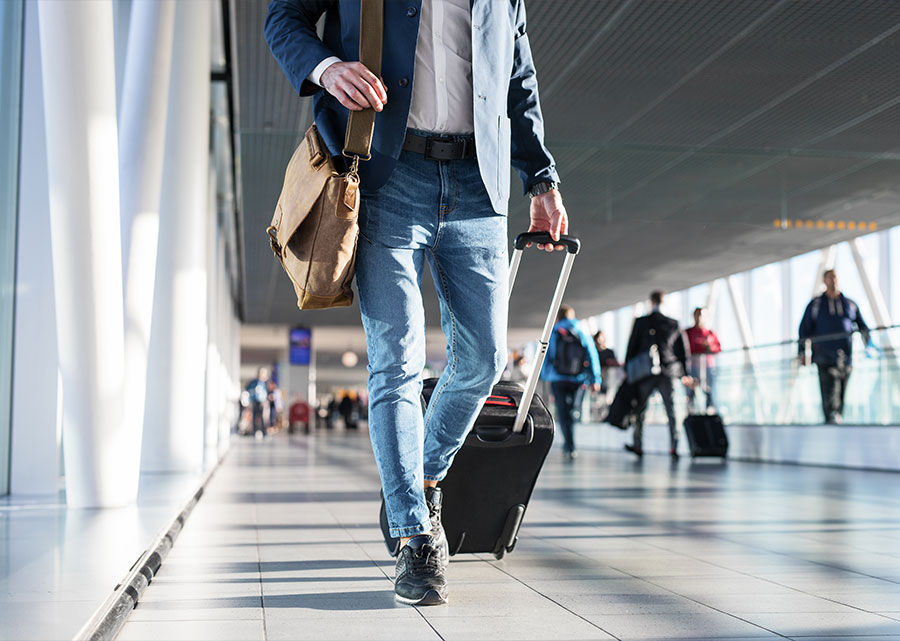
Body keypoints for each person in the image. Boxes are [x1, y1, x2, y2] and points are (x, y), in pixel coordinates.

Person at [266, 0, 568, 606]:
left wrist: (541, 177)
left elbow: (518, 77)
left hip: (479, 187)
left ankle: (425, 475)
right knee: (396, 361)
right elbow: (284, 17)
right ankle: (414, 537)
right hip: (386, 175)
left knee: (482, 360)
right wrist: (326, 67)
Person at [623, 291, 693, 460]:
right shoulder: (673, 323)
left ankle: (638, 445)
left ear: (651, 302)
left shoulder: (642, 322)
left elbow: (632, 347)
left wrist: (627, 369)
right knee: (672, 410)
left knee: (641, 410)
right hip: (668, 372)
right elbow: (682, 352)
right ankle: (674, 446)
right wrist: (685, 374)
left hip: (645, 373)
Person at [799, 269, 870, 424]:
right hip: (824, 357)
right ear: (824, 281)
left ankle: (837, 420)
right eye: (829, 278)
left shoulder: (849, 304)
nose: (833, 280)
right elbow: (804, 330)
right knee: (829, 394)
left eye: (835, 277)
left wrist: (868, 345)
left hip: (846, 358)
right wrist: (802, 353)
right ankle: (830, 421)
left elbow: (862, 326)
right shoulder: (816, 305)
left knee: (842, 393)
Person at [540, 305, 601, 461]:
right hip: (578, 379)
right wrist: (595, 379)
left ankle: (569, 445)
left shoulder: (553, 332)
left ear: (558, 317)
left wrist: (546, 376)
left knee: (562, 412)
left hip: (558, 379)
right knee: (573, 410)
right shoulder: (581, 331)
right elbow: (592, 355)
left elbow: (546, 355)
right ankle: (571, 442)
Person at [685, 307, 721, 413]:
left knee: (709, 390)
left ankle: (709, 411)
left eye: (702, 314)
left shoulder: (710, 333)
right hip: (692, 367)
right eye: (698, 314)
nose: (700, 317)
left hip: (708, 367)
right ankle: (692, 412)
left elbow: (718, 348)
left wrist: (709, 348)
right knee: (691, 391)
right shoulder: (688, 333)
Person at [245, 368, 270, 439]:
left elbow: (269, 392)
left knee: (264, 417)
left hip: (263, 402)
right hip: (255, 401)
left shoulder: (266, 382)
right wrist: (253, 391)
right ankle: (254, 431)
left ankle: (264, 432)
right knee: (254, 416)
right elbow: (248, 389)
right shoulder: (253, 382)